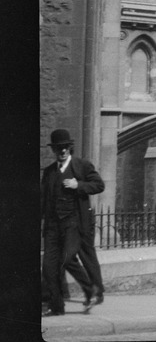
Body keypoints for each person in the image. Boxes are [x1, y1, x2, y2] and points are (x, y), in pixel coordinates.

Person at [41, 128, 105, 316]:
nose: (62, 151)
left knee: (66, 258)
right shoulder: (49, 172)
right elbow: (43, 199)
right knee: (48, 267)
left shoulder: (82, 166)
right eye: (59, 148)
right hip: (53, 225)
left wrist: (79, 185)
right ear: (54, 150)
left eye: (65, 147)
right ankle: (57, 307)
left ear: (70, 148)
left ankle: (90, 289)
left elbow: (99, 185)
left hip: (73, 222)